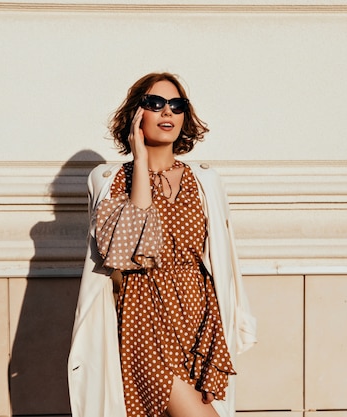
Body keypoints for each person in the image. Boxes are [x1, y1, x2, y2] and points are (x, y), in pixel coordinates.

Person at [68, 72, 257, 417]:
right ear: (136, 114)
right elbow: (130, 252)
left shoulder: (205, 180)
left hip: (199, 321)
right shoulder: (108, 179)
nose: (167, 112)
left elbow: (222, 260)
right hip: (145, 318)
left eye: (176, 105)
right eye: (155, 104)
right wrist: (140, 161)